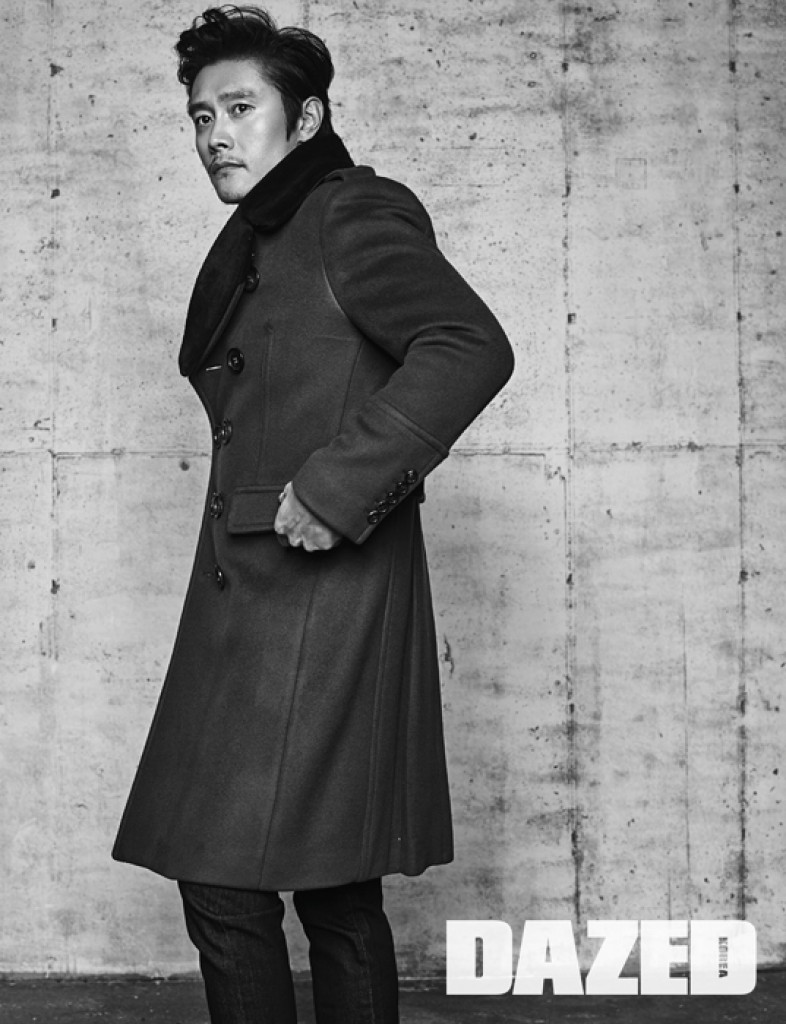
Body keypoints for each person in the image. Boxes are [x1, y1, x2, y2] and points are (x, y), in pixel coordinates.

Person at [112, 5, 514, 1022]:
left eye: (239, 108)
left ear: (305, 117)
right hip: (257, 597)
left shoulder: (348, 214)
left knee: (238, 882)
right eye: (200, 116)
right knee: (331, 887)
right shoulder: (263, 237)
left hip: (319, 599)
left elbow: (467, 345)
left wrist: (336, 489)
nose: (215, 134)